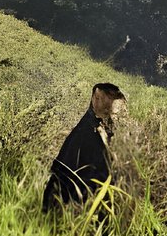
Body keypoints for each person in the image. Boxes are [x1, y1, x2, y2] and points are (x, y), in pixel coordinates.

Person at [42, 83, 127, 211]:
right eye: (110, 110)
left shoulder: (102, 125)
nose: (115, 116)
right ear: (96, 100)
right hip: (70, 196)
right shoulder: (87, 130)